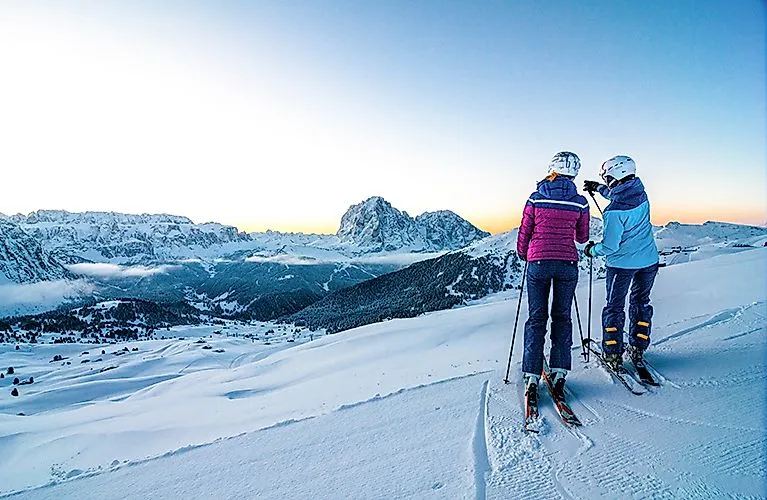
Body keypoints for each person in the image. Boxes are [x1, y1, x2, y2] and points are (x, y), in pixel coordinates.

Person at [517, 151, 590, 404]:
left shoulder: (535, 198)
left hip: (538, 263)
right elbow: (582, 237)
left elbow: (524, 233)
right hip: (567, 264)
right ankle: (559, 372)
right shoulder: (580, 202)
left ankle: (531, 376)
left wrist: (524, 254)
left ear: (552, 169)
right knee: (562, 317)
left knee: (536, 319)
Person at [583, 155, 659, 371]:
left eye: (606, 177)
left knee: (614, 308)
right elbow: (620, 194)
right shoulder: (641, 194)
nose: (606, 180)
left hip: (621, 266)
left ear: (614, 175)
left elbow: (610, 247)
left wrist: (591, 250)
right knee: (640, 303)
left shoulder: (614, 211)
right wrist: (598, 188)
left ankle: (613, 353)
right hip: (649, 262)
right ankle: (638, 347)